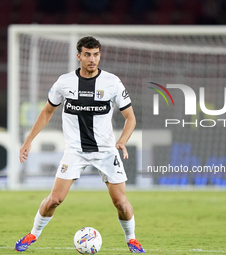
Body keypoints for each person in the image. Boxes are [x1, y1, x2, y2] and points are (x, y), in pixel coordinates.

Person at [14, 36, 145, 253]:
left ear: (100, 55)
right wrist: (28, 140)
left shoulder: (112, 82)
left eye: (95, 55)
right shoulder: (64, 82)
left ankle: (132, 239)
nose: (92, 59)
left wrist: (122, 141)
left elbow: (130, 118)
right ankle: (32, 234)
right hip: (75, 151)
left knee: (121, 203)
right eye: (87, 55)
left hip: (105, 151)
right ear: (79, 56)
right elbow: (47, 112)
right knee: (55, 199)